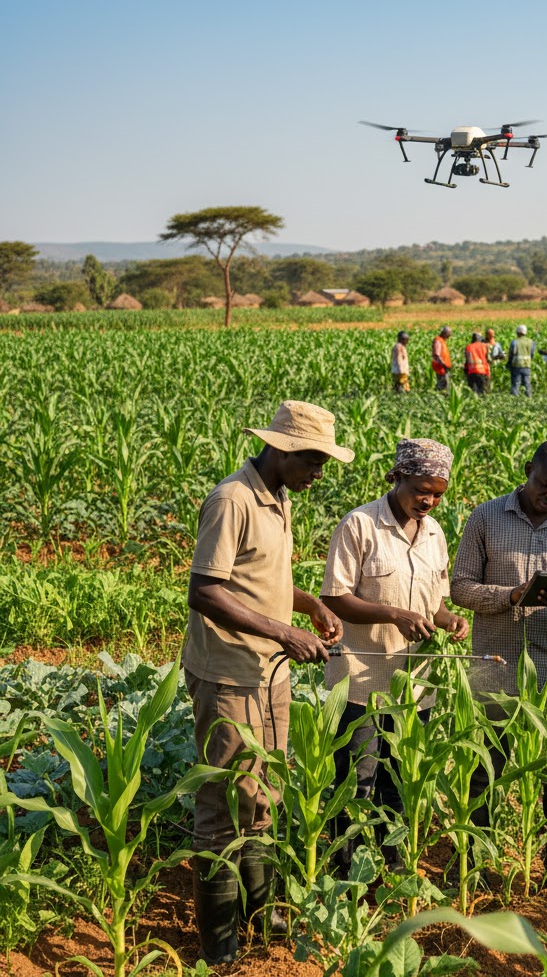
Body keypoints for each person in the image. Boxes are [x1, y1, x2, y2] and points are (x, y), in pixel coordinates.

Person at [185, 400, 351, 964]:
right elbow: (206, 591)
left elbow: (262, 578)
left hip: (268, 670)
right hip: (230, 673)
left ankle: (261, 913)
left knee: (263, 794)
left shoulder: (279, 497)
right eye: (311, 460)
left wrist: (306, 607)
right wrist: (283, 631)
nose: (317, 473)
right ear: (280, 450)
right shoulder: (232, 500)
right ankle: (220, 945)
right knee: (222, 803)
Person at [451, 440, 547, 880]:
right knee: (484, 769)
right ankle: (476, 861)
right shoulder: (486, 517)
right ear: (527, 470)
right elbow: (460, 587)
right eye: (546, 484)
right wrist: (511, 595)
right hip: (495, 669)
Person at [320, 438, 468, 869]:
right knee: (356, 780)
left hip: (414, 688)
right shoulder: (360, 525)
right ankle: (344, 872)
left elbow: (434, 603)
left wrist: (448, 620)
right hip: (361, 682)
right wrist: (393, 615)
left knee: (399, 780)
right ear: (398, 476)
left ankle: (392, 867)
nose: (429, 500)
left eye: (439, 493)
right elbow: (335, 598)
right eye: (422, 489)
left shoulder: (435, 534)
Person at [507, 324, 536, 397]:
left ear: (518, 332)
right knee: (527, 383)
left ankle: (515, 399)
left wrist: (509, 363)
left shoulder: (514, 342)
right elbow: (532, 354)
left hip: (516, 365)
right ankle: (529, 398)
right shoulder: (531, 342)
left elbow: (511, 354)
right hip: (527, 365)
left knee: (516, 383)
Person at [463, 331, 489, 395]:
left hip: (471, 371)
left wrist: (466, 370)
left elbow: (467, 360)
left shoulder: (468, 347)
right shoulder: (484, 346)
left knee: (472, 392)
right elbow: (487, 358)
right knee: (482, 391)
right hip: (482, 371)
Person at [432, 325, 453, 392]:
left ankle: (439, 395)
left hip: (443, 366)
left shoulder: (441, 340)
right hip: (441, 367)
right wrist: (444, 365)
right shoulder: (438, 341)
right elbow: (437, 355)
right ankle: (435, 395)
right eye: (448, 334)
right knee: (443, 383)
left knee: (444, 383)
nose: (449, 336)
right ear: (444, 333)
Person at [483, 328, 504, 393]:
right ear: (487, 335)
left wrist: (500, 356)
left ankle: (496, 391)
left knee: (495, 378)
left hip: (495, 365)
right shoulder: (483, 344)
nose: (492, 335)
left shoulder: (497, 344)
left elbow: (501, 354)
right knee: (488, 379)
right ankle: (488, 390)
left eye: (493, 334)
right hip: (486, 365)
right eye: (490, 334)